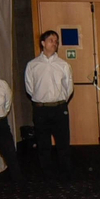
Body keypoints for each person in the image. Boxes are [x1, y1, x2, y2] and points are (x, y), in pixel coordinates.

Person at [26, 29, 75, 180]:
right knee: (43, 144)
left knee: (63, 143)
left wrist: (59, 102)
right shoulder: (33, 65)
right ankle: (47, 175)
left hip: (59, 108)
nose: (54, 43)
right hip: (41, 109)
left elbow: (69, 88)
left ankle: (66, 174)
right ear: (43, 43)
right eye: (51, 40)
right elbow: (29, 87)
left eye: (56, 41)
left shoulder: (63, 65)